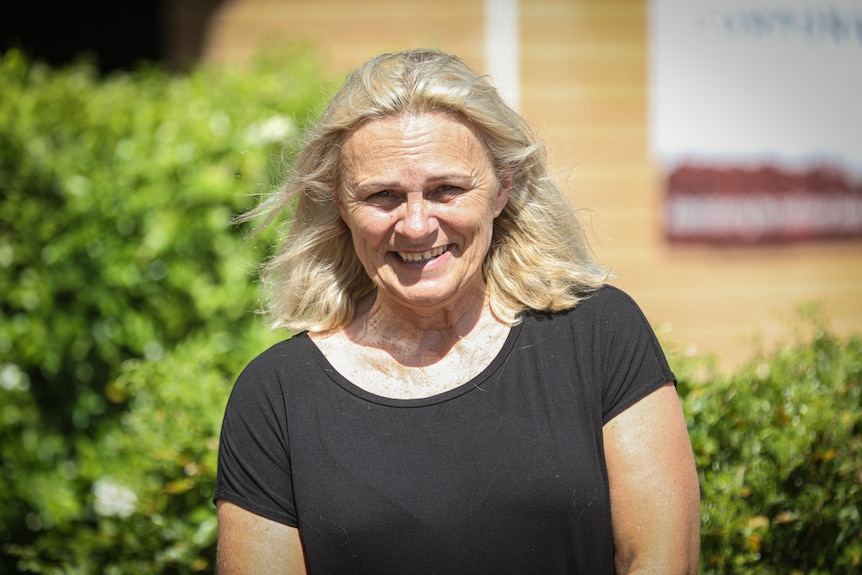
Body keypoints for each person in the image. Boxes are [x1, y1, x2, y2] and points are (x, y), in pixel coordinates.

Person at [214, 48, 700, 574]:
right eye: (382, 195)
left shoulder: (600, 336)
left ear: (502, 188)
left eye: (447, 189)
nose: (417, 225)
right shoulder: (277, 397)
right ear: (340, 204)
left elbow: (660, 562)